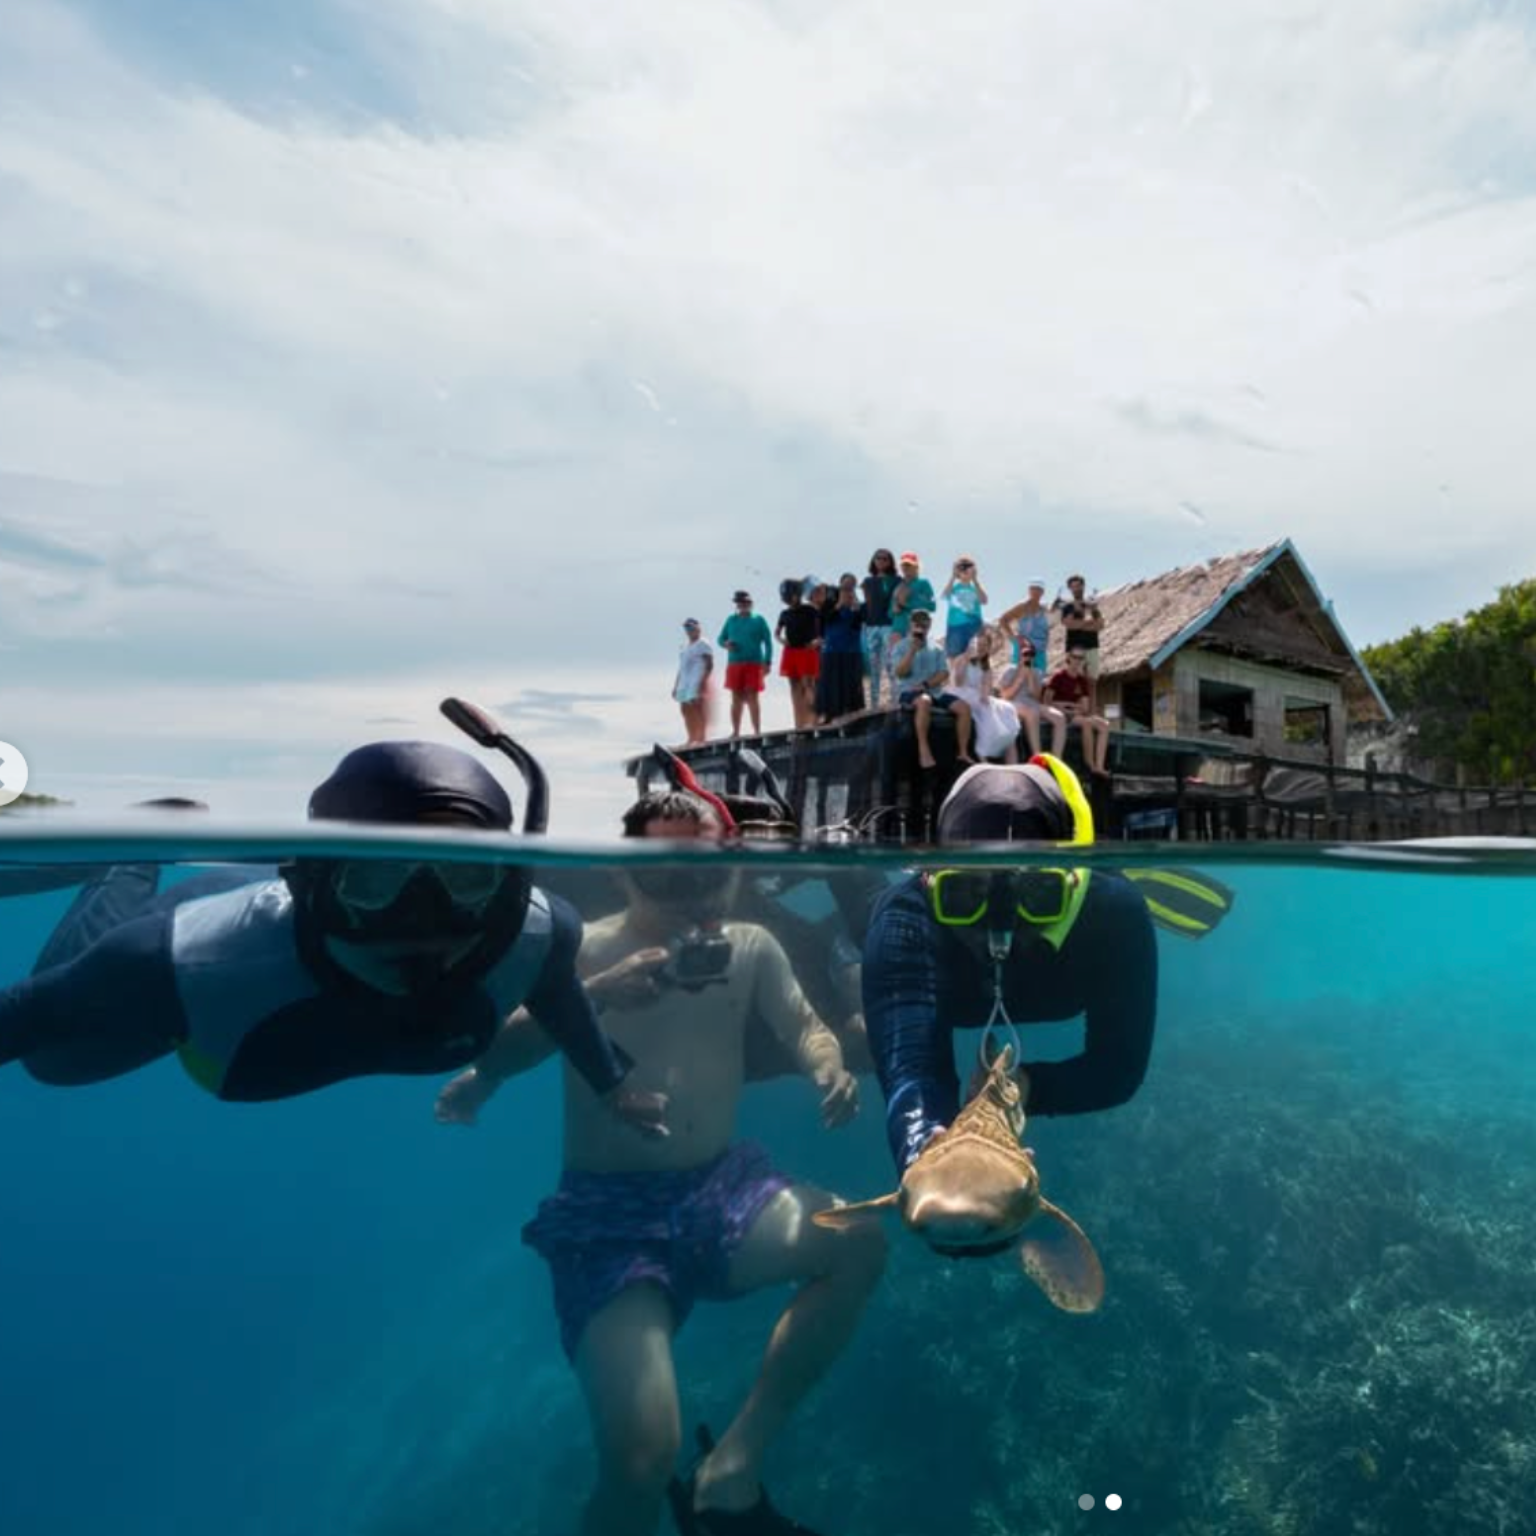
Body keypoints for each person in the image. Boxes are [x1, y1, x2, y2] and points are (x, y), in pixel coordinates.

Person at [436, 789, 878, 1536]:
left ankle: (731, 1471)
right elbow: (500, 1052)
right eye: (663, 876)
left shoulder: (752, 948)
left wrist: (826, 1070)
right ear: (622, 874)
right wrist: (595, 994)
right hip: (609, 1218)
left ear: (732, 875)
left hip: (721, 1188)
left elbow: (805, 1027)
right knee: (640, 1464)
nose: (688, 896)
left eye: (703, 876)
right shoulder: (581, 950)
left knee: (861, 1243)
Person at [0, 742, 659, 1134]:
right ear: (314, 886)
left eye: (463, 876)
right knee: (56, 1062)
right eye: (376, 882)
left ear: (508, 884)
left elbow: (556, 993)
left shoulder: (538, 933)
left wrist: (612, 1085)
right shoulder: (173, 960)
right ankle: (129, 854)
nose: (421, 918)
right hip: (197, 924)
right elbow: (23, 1015)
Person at [860, 758, 1156, 1247]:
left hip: (962, 989)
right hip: (925, 974)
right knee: (865, 921)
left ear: (1075, 882)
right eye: (964, 895)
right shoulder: (904, 920)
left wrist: (1023, 1088)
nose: (1001, 929)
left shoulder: (1115, 914)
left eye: (1038, 895)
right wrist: (925, 1157)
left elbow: (1118, 1069)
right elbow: (914, 1071)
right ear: (930, 879)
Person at [892, 609, 973, 770]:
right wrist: (912, 651)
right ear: (911, 624)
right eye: (917, 623)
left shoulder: (936, 647)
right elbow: (900, 672)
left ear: (929, 625)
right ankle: (924, 749)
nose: (920, 627)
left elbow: (944, 672)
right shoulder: (901, 646)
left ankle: (963, 752)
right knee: (924, 701)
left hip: (934, 690)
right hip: (908, 691)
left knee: (964, 708)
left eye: (924, 623)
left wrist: (926, 685)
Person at [1044, 647, 1111, 777]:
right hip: (1061, 715)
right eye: (1075, 657)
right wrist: (1066, 706)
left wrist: (1070, 706)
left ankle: (1099, 766)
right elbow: (1046, 702)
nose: (1077, 661)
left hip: (1076, 714)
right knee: (1087, 723)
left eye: (1081, 658)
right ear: (1068, 657)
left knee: (1104, 724)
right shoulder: (1058, 677)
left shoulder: (1081, 681)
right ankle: (1090, 765)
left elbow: (1084, 707)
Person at [996, 638, 1068, 757]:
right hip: (1013, 703)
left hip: (1031, 703)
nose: (1028, 657)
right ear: (1019, 654)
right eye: (1025, 653)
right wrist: (1020, 678)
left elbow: (1037, 697)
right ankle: (1037, 755)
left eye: (1031, 654)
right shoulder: (1009, 670)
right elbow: (1005, 696)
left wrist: (1030, 677)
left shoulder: (1037, 672)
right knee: (1032, 712)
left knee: (1059, 717)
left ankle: (1057, 757)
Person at [718, 590, 774, 739]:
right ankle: (735, 731)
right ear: (736, 605)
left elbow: (768, 642)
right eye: (740, 603)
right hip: (734, 663)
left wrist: (768, 661)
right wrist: (726, 644)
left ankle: (757, 731)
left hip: (754, 663)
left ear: (751, 604)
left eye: (746, 602)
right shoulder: (730, 620)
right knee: (736, 698)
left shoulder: (759, 620)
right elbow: (720, 639)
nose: (744, 605)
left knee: (752, 696)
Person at [814, 573, 866, 724]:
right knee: (831, 685)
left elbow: (860, 624)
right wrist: (839, 604)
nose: (848, 589)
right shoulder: (829, 602)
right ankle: (829, 716)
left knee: (851, 684)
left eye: (851, 586)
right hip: (832, 650)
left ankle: (854, 715)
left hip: (852, 651)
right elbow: (824, 621)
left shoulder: (857, 605)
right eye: (845, 586)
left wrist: (855, 607)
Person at [774, 579, 821, 731]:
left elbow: (822, 628)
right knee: (794, 687)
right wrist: (782, 640)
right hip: (791, 652)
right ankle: (799, 723)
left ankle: (814, 720)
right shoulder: (784, 613)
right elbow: (776, 632)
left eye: (792, 595)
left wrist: (817, 641)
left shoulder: (810, 610)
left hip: (807, 651)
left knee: (808, 685)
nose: (790, 598)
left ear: (798, 594)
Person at [859, 548, 900, 709]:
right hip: (871, 627)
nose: (881, 561)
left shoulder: (897, 580)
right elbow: (867, 605)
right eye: (878, 558)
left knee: (890, 664)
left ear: (890, 561)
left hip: (888, 626)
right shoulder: (867, 582)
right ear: (873, 561)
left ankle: (895, 702)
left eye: (885, 558)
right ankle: (874, 706)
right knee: (874, 666)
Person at [886, 551, 935, 679]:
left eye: (909, 565)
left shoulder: (923, 583)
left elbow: (932, 606)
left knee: (916, 663)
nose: (906, 568)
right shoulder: (898, 587)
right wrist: (895, 608)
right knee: (895, 666)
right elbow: (890, 613)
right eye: (904, 565)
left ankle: (917, 693)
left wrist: (907, 602)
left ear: (917, 567)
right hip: (897, 630)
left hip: (916, 630)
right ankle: (897, 697)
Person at [673, 619, 715, 747]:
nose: (689, 631)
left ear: (698, 628)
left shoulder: (703, 644)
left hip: (696, 681)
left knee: (697, 709)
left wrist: (703, 681)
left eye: (691, 628)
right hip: (684, 683)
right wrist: (676, 685)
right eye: (687, 629)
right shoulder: (684, 646)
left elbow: (709, 665)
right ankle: (691, 737)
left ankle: (701, 737)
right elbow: (681, 667)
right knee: (685, 710)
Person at [1053, 573, 1103, 679]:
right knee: (1074, 681)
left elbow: (1100, 625)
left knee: (1092, 681)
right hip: (1074, 648)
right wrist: (1088, 623)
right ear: (1070, 589)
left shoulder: (1091, 605)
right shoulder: (1068, 607)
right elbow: (1069, 625)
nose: (1076, 589)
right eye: (1073, 586)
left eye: (1078, 585)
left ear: (1083, 586)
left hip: (1092, 646)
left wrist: (1079, 624)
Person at [938, 554, 988, 659]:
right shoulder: (954, 588)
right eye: (961, 567)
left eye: (967, 566)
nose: (964, 570)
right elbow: (944, 596)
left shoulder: (975, 589)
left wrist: (975, 579)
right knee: (955, 656)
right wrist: (953, 576)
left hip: (973, 625)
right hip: (956, 626)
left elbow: (984, 600)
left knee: (975, 656)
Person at [998, 579, 1051, 675]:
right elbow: (1003, 619)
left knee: (1038, 679)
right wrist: (1013, 638)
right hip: (1024, 649)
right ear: (1029, 590)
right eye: (1032, 589)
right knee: (1018, 676)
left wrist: (1046, 641)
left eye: (1038, 589)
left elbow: (1045, 629)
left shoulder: (1043, 610)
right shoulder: (1022, 607)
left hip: (1040, 651)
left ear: (1042, 592)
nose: (1035, 592)